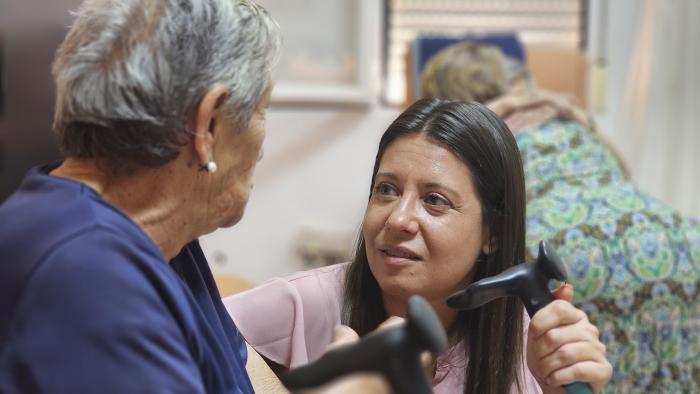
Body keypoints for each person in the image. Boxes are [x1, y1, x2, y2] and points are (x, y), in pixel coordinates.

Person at [0, 0, 395, 393]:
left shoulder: (166, 242)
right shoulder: (87, 271)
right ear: (207, 126)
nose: (261, 144)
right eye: (262, 109)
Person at [225, 98, 612, 393]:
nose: (397, 219)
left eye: (435, 200)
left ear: (493, 234)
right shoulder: (304, 304)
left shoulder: (527, 346)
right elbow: (176, 336)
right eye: (387, 190)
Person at [421, 39, 700, 393]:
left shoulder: (472, 142)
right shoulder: (566, 113)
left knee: (578, 362)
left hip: (566, 249)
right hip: (675, 240)